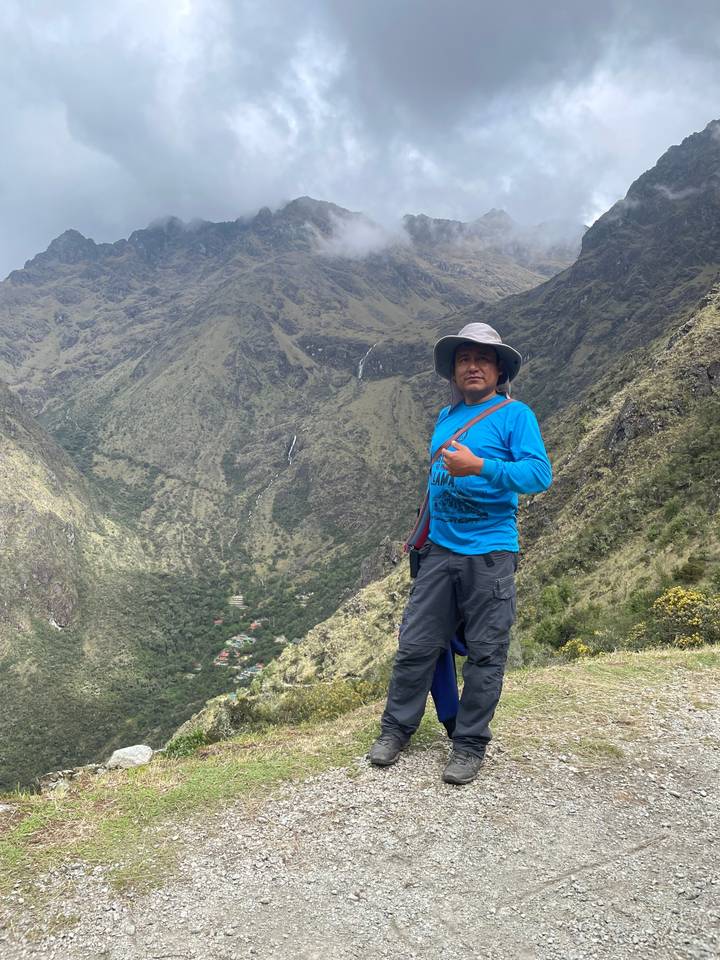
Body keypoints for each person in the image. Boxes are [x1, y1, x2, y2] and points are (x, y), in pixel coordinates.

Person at [368, 322, 552, 784]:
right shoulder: (446, 417)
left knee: (486, 653)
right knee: (416, 646)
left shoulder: (516, 416)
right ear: (453, 371)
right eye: (464, 359)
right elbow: (435, 481)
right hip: (440, 551)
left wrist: (481, 467)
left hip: (489, 553)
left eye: (483, 359)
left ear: (499, 370)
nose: (472, 366)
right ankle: (395, 730)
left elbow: (538, 475)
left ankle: (469, 744)